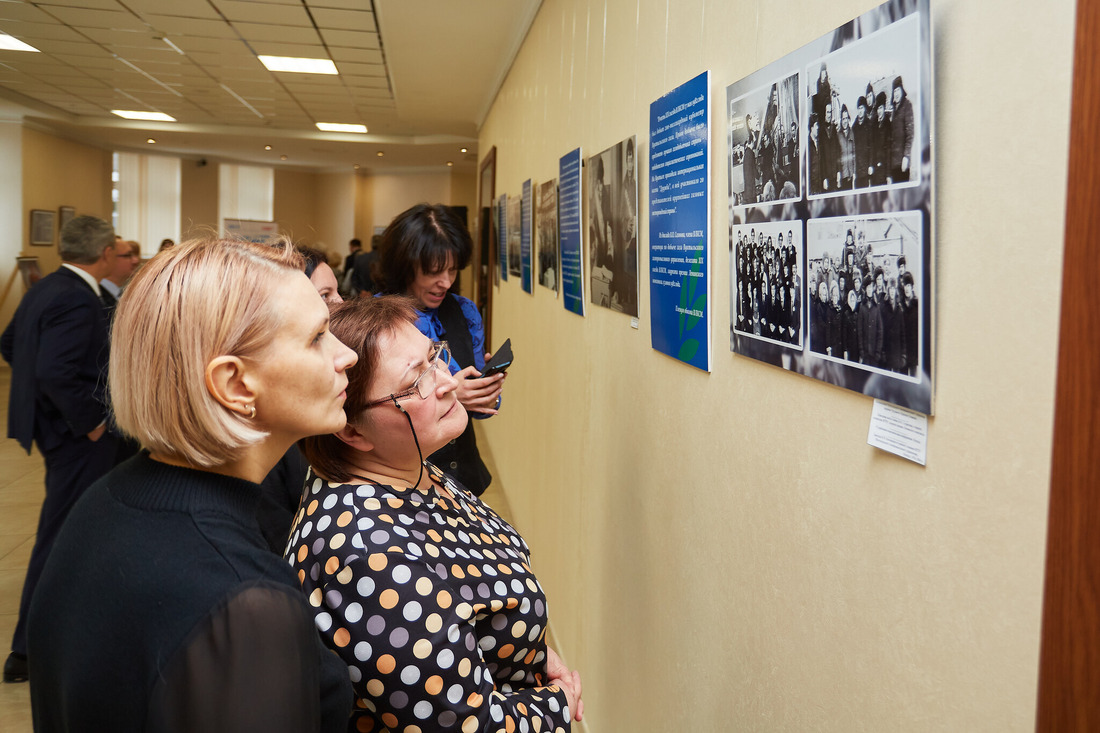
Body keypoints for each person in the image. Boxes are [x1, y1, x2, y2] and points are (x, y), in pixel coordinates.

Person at [26, 238, 356, 730]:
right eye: (316, 338)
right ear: (234, 385)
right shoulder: (245, 604)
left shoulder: (110, 496)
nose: (346, 355)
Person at [289, 295, 584, 733]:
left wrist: (533, 652)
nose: (445, 381)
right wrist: (559, 700)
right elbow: (466, 726)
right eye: (416, 382)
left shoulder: (409, 467)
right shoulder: (365, 551)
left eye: (434, 358)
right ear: (352, 431)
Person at [1, 215, 119, 683]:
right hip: (75, 437)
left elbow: (11, 344)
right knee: (58, 534)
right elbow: (53, 369)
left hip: (55, 429)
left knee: (70, 528)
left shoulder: (45, 287)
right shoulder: (77, 296)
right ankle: (26, 649)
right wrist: (88, 422)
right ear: (104, 252)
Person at [376, 203, 504, 496]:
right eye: (433, 271)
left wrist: (486, 392)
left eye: (452, 269)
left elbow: (480, 411)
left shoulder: (465, 312)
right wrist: (449, 395)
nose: (445, 282)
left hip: (465, 476)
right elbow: (376, 410)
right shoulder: (378, 320)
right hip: (404, 479)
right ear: (405, 266)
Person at [99, 239, 140, 314]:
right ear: (108, 257)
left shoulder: (126, 293)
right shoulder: (97, 299)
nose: (135, 261)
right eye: (128, 255)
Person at [889, 75, 915, 183]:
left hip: (902, 162)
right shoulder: (894, 110)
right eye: (894, 91)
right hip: (893, 163)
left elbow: (910, 134)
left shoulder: (907, 106)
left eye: (898, 90)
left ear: (902, 90)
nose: (896, 93)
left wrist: (906, 157)